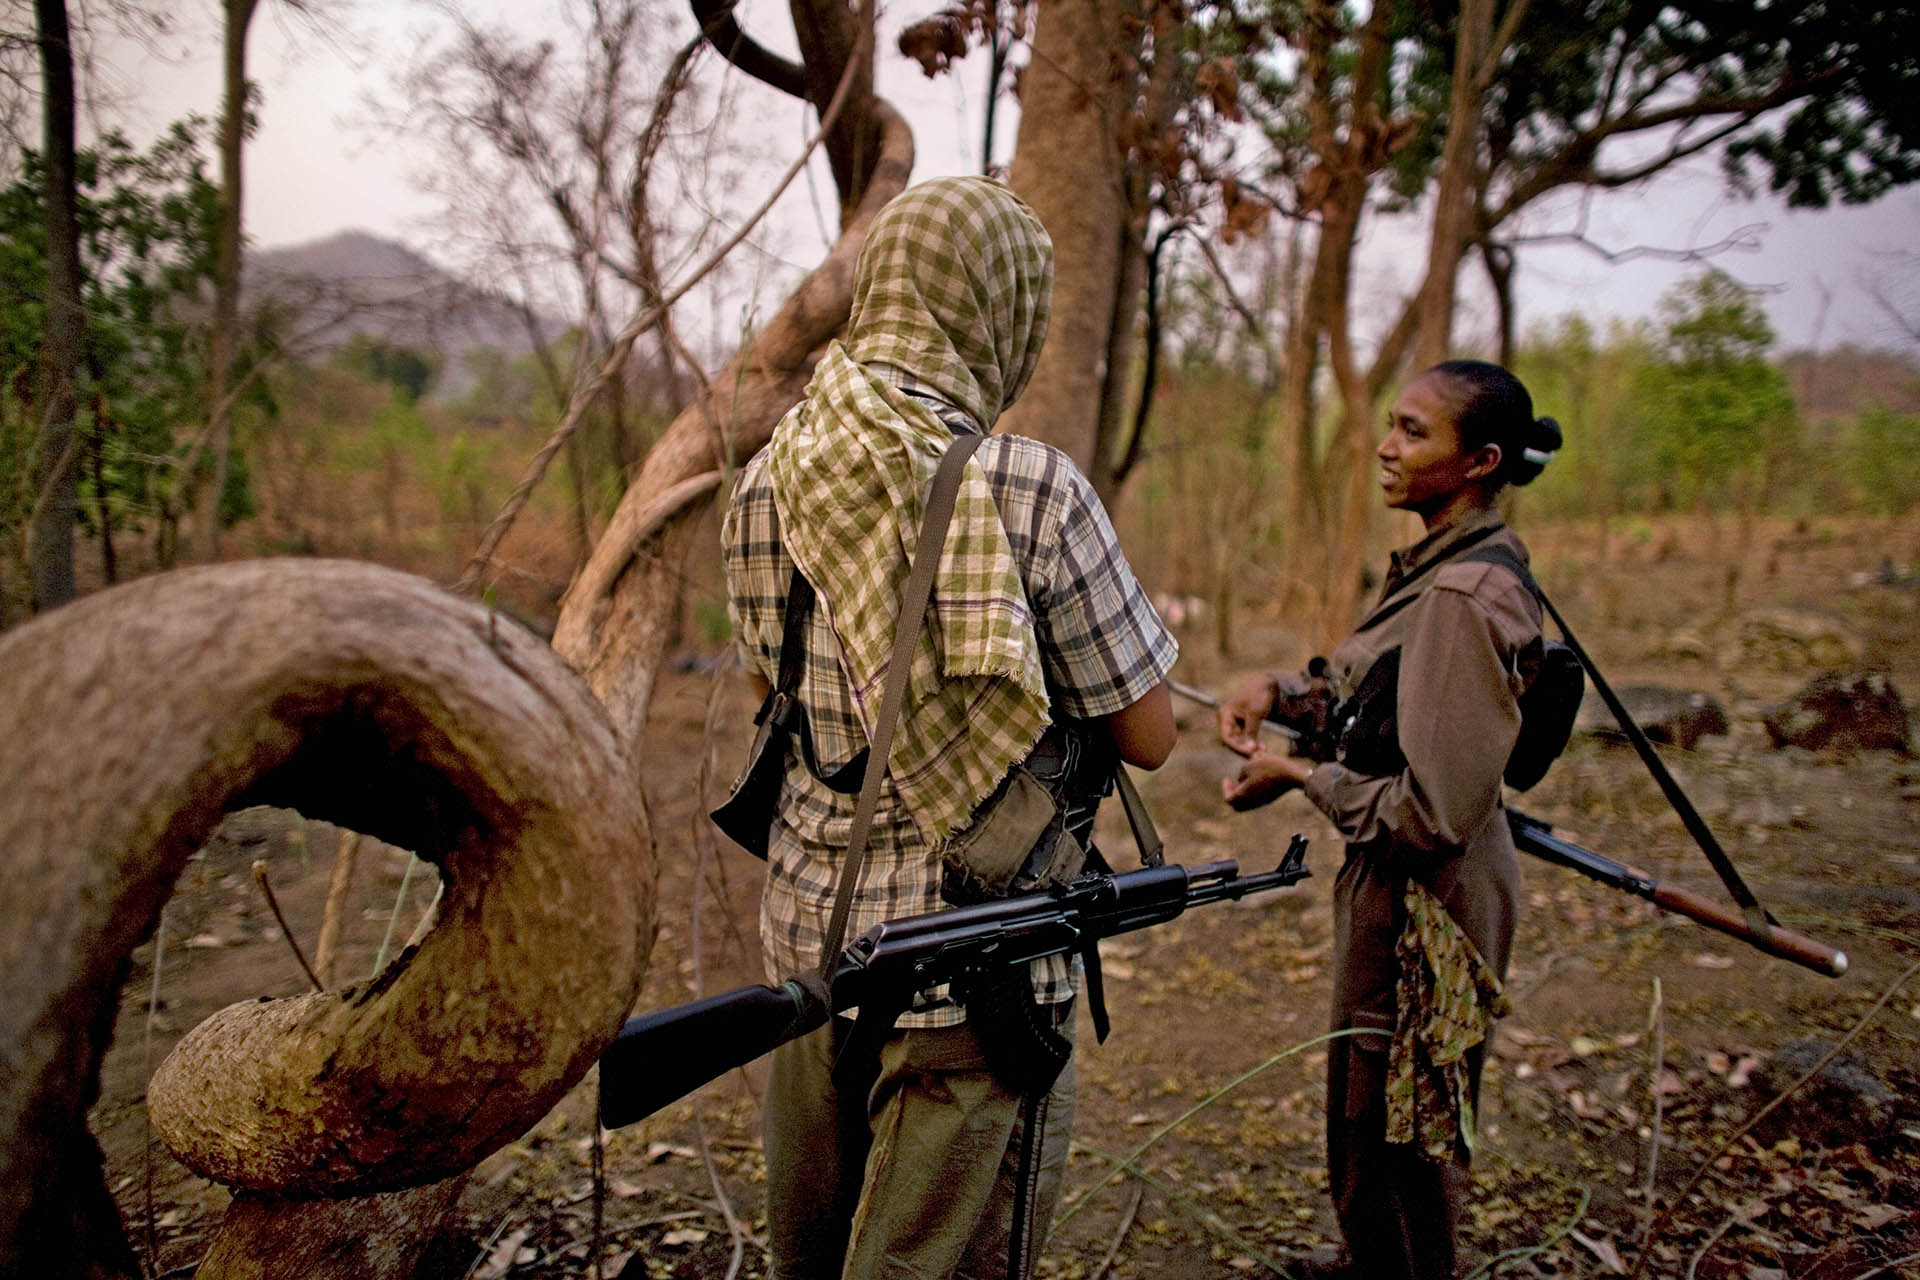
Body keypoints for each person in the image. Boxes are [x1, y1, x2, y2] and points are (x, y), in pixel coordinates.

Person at [720, 175, 1178, 1280]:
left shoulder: (765, 482)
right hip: (978, 968)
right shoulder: (1030, 487)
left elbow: (780, 708)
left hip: (809, 956)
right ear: (1002, 309)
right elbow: (1149, 733)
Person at [1215, 360, 1563, 1280]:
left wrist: (1299, 775)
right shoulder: (1441, 566)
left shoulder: (1461, 596)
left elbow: (1427, 813)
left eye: (1414, 431)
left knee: (1397, 1133)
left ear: (1480, 461)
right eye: (1391, 424)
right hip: (1410, 886)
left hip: (1428, 903)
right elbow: (1380, 700)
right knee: (1377, 1125)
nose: (1385, 446)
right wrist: (1281, 694)